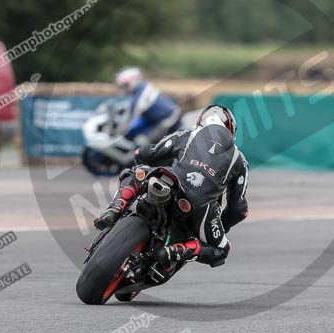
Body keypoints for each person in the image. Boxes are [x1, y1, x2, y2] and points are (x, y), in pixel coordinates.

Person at [93, 105, 249, 268]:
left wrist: (146, 165)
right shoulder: (240, 161)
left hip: (172, 180)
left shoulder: (187, 134)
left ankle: (115, 207)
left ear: (201, 121)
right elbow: (239, 209)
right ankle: (179, 250)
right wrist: (221, 227)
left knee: (135, 172)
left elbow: (144, 153)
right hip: (201, 206)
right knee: (221, 249)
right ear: (231, 131)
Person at [115, 67, 181, 145]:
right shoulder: (144, 87)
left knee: (142, 143)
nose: (125, 89)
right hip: (166, 116)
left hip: (167, 120)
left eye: (126, 85)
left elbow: (130, 118)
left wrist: (117, 133)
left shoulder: (139, 97)